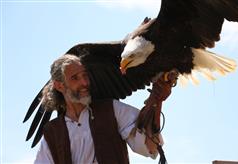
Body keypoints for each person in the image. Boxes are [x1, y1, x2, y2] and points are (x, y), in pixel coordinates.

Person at [34, 54, 172, 164]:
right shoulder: (52, 133)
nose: (84, 82)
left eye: (84, 75)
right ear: (59, 86)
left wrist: (156, 101)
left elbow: (150, 147)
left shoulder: (111, 110)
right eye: (75, 78)